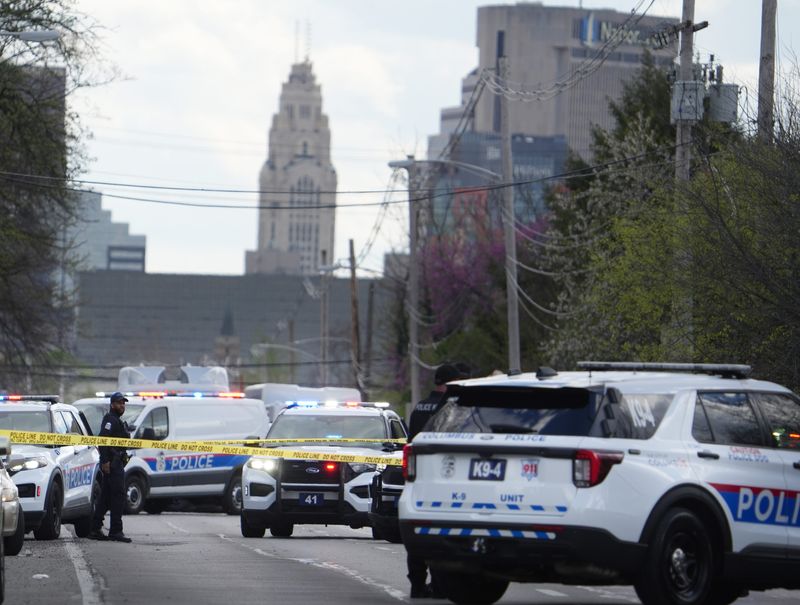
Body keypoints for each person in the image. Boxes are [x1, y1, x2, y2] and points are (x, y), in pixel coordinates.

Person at [405, 362, 464, 598]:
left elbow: (409, 443)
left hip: (419, 480)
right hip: (445, 480)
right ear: (450, 383)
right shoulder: (451, 408)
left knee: (418, 533)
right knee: (441, 534)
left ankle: (417, 585)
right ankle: (440, 586)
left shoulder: (419, 407)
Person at [88, 391, 132, 542]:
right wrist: (105, 461)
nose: (122, 405)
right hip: (112, 464)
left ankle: (94, 528)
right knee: (118, 496)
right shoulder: (110, 420)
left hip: (116, 462)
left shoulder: (116, 420)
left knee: (106, 497)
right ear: (112, 404)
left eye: (124, 403)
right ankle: (115, 531)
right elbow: (103, 440)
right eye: (120, 403)